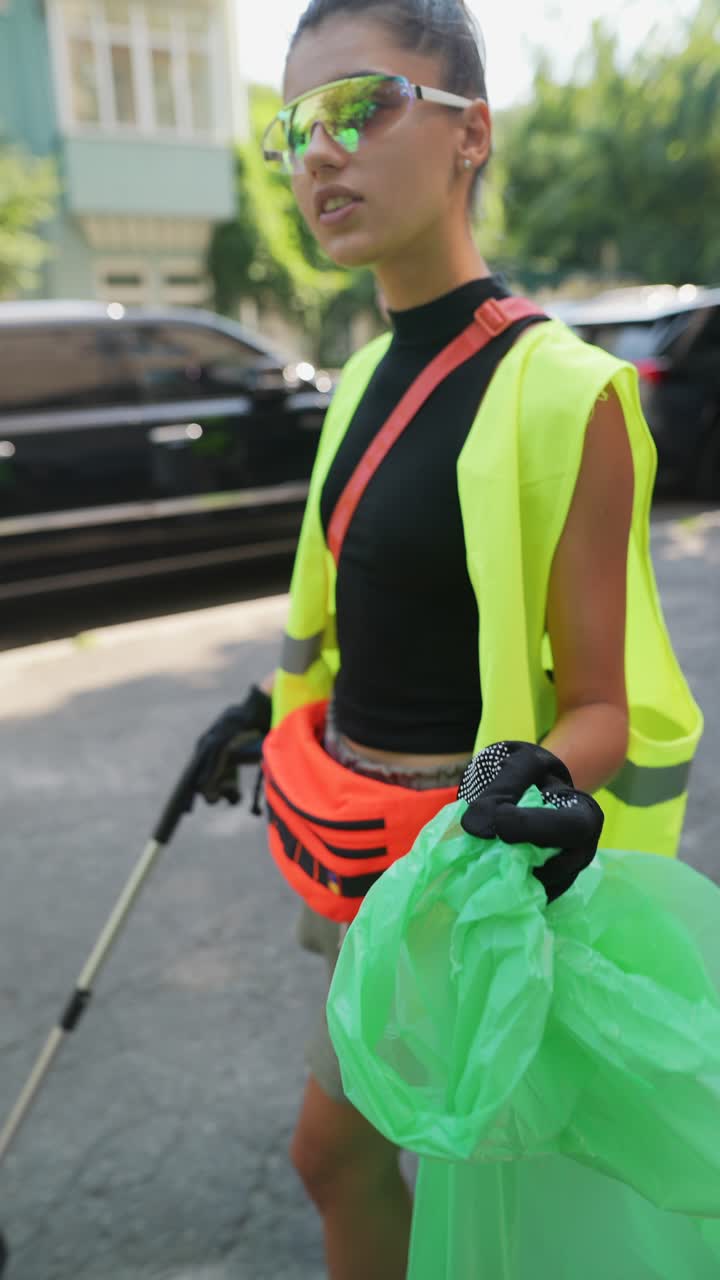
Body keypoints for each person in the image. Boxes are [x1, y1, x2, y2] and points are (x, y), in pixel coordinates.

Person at [193, 2, 701, 1277]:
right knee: (362, 1158)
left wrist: (532, 781)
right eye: (294, 125)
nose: (319, 152)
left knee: (427, 1181)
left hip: (457, 880)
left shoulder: (566, 392)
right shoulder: (356, 381)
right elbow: (350, 616)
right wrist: (266, 708)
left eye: (359, 106)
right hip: (340, 840)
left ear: (473, 131)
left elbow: (602, 701)